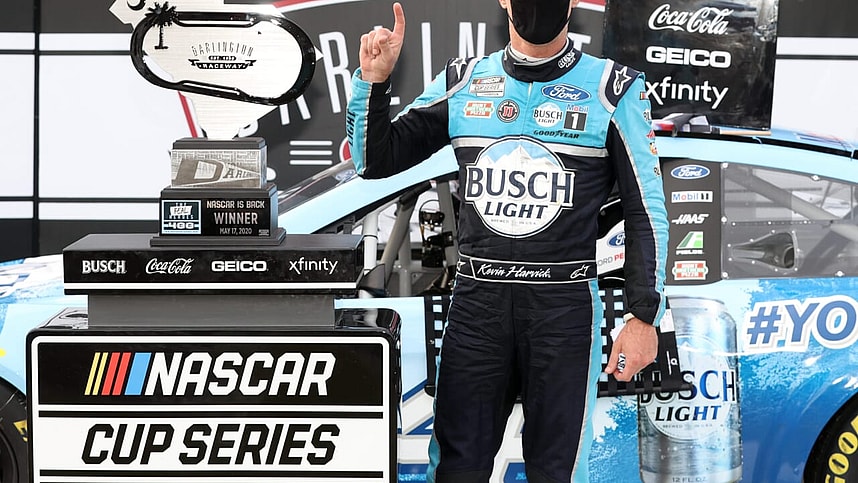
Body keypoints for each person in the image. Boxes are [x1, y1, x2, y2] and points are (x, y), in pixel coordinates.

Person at [346, 1, 669, 481]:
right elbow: (374, 160)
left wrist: (644, 316)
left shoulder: (613, 89)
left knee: (557, 472)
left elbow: (646, 209)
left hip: (563, 309)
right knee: (456, 470)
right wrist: (373, 82)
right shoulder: (463, 80)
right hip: (478, 306)